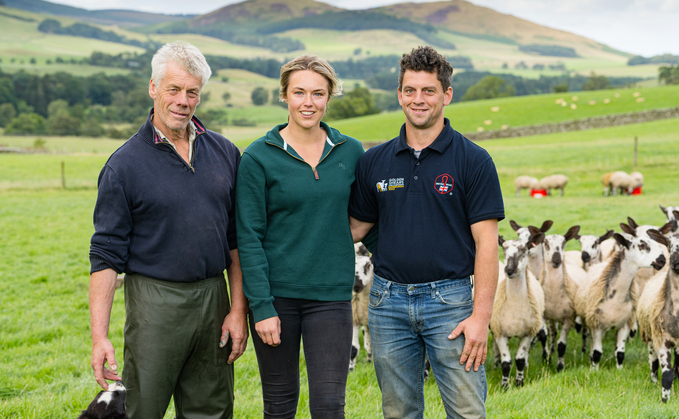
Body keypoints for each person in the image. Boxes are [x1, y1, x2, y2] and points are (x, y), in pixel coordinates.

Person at [88, 41, 248, 419]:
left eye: (192, 91)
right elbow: (106, 256)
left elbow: (236, 240)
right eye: (173, 89)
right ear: (153, 88)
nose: (183, 100)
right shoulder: (123, 166)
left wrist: (238, 308)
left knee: (213, 410)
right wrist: (100, 336)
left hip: (214, 300)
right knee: (143, 410)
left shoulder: (225, 152)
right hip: (154, 303)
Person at [349, 46, 505, 419]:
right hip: (387, 303)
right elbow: (353, 229)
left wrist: (480, 318)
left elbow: (487, 245)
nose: (418, 100)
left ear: (446, 95)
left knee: (467, 411)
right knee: (399, 412)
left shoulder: (474, 160)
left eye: (428, 91)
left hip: (450, 303)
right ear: (400, 93)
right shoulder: (374, 161)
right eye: (410, 90)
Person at [235, 55, 364, 418]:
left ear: (329, 97)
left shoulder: (351, 152)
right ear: (285, 96)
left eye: (318, 93)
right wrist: (261, 307)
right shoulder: (258, 158)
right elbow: (249, 236)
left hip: (331, 298)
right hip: (277, 299)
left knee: (328, 406)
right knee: (279, 406)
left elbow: (370, 215)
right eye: (299, 92)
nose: (309, 102)